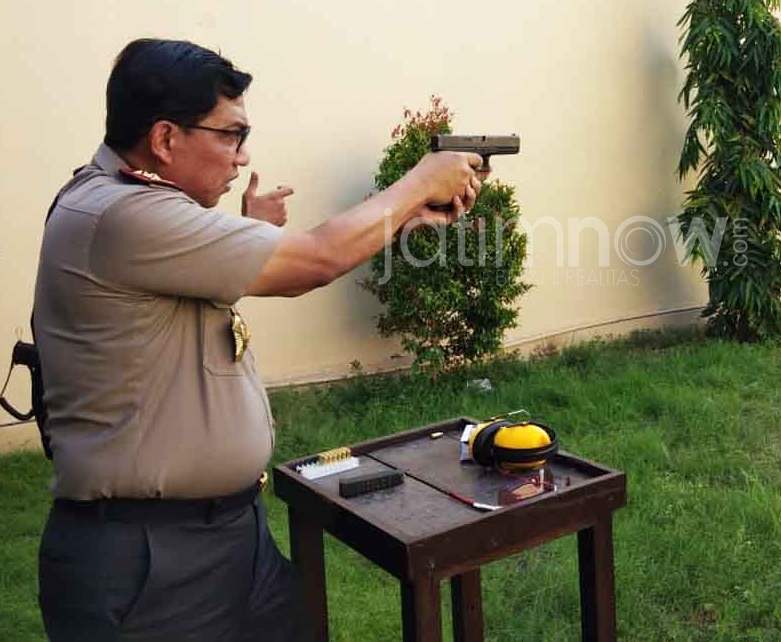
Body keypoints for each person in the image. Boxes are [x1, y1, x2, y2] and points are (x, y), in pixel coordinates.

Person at [33, 38, 484, 641]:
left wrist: (401, 216)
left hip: (227, 537)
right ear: (165, 139)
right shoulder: (119, 214)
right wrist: (421, 179)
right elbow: (316, 259)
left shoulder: (139, 209)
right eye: (230, 135)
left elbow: (270, 274)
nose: (242, 157)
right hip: (148, 564)